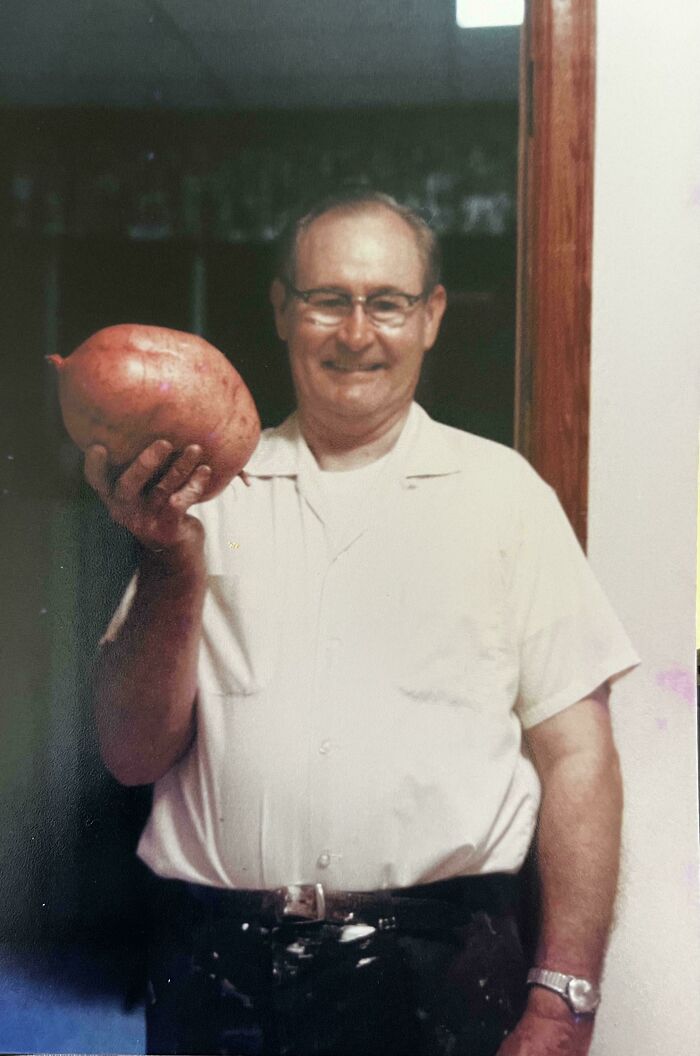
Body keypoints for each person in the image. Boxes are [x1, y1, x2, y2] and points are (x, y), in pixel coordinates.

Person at [86, 189, 639, 1056]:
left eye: (386, 302)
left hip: (440, 974)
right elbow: (130, 754)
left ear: (432, 315)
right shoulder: (201, 498)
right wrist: (171, 561)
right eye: (327, 300)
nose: (356, 333)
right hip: (217, 976)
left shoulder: (505, 498)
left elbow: (580, 761)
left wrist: (563, 1000)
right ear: (282, 311)